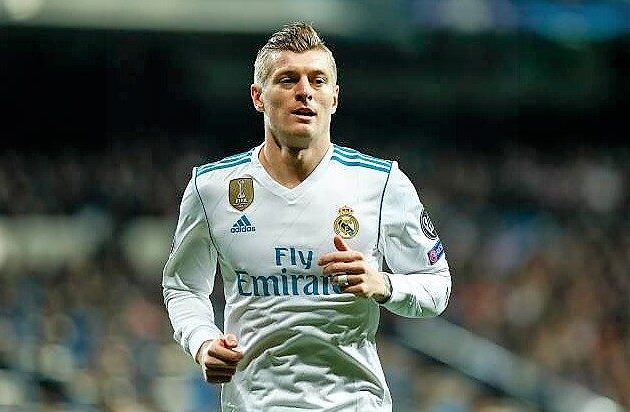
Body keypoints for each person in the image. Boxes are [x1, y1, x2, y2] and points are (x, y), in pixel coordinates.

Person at [163, 22, 452, 411]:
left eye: (318, 81)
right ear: (258, 96)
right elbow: (183, 287)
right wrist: (202, 342)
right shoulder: (212, 188)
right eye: (288, 80)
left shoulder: (382, 184)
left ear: (334, 97)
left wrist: (383, 284)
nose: (305, 92)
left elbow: (437, 286)